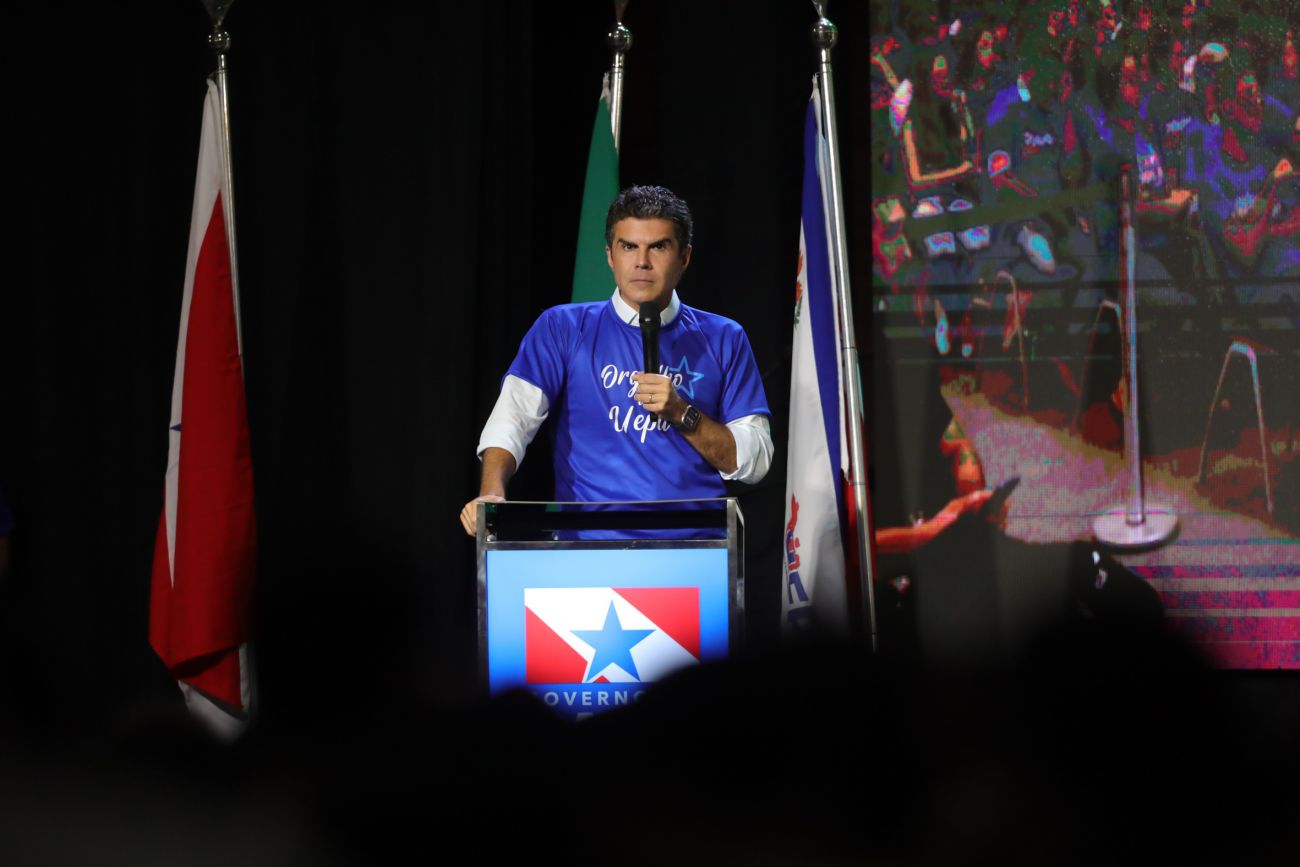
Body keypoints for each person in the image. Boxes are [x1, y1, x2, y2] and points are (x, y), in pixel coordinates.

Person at [459, 185, 773, 536]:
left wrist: (682, 413)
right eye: (628, 247)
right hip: (590, 547)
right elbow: (512, 418)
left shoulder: (724, 337)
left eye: (658, 247)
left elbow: (756, 461)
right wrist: (492, 492)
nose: (642, 261)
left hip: (696, 549)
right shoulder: (562, 328)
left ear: (684, 257)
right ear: (610, 255)